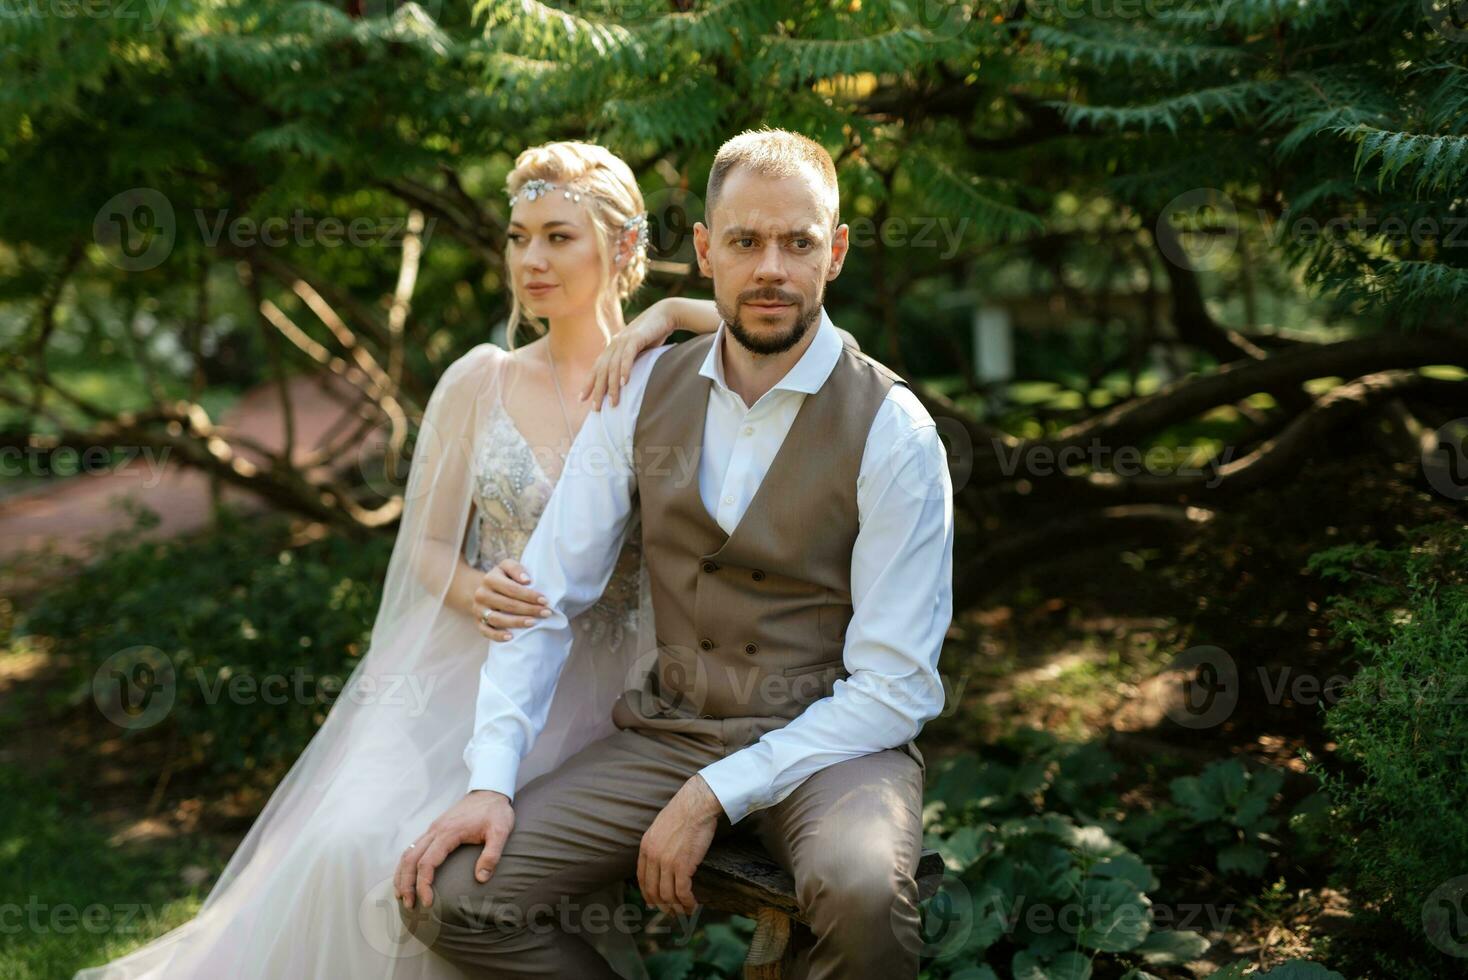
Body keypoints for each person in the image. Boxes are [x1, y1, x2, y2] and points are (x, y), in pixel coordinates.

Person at [74, 139, 723, 980]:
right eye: (518, 235)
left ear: (624, 247)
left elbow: (793, 329)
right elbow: (424, 546)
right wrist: (476, 589)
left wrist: (667, 315)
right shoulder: (479, 380)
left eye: (559, 237)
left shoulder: (664, 379)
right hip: (461, 667)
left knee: (467, 874)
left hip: (596, 692)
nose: (531, 258)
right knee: (356, 846)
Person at [394, 127, 955, 980]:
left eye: (797, 243)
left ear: (834, 252)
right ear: (704, 251)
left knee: (863, 893)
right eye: (744, 241)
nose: (771, 267)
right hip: (675, 730)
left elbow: (896, 686)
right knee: (458, 899)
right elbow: (545, 596)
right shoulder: (642, 392)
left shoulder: (893, 429)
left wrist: (714, 795)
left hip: (835, 743)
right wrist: (491, 780)